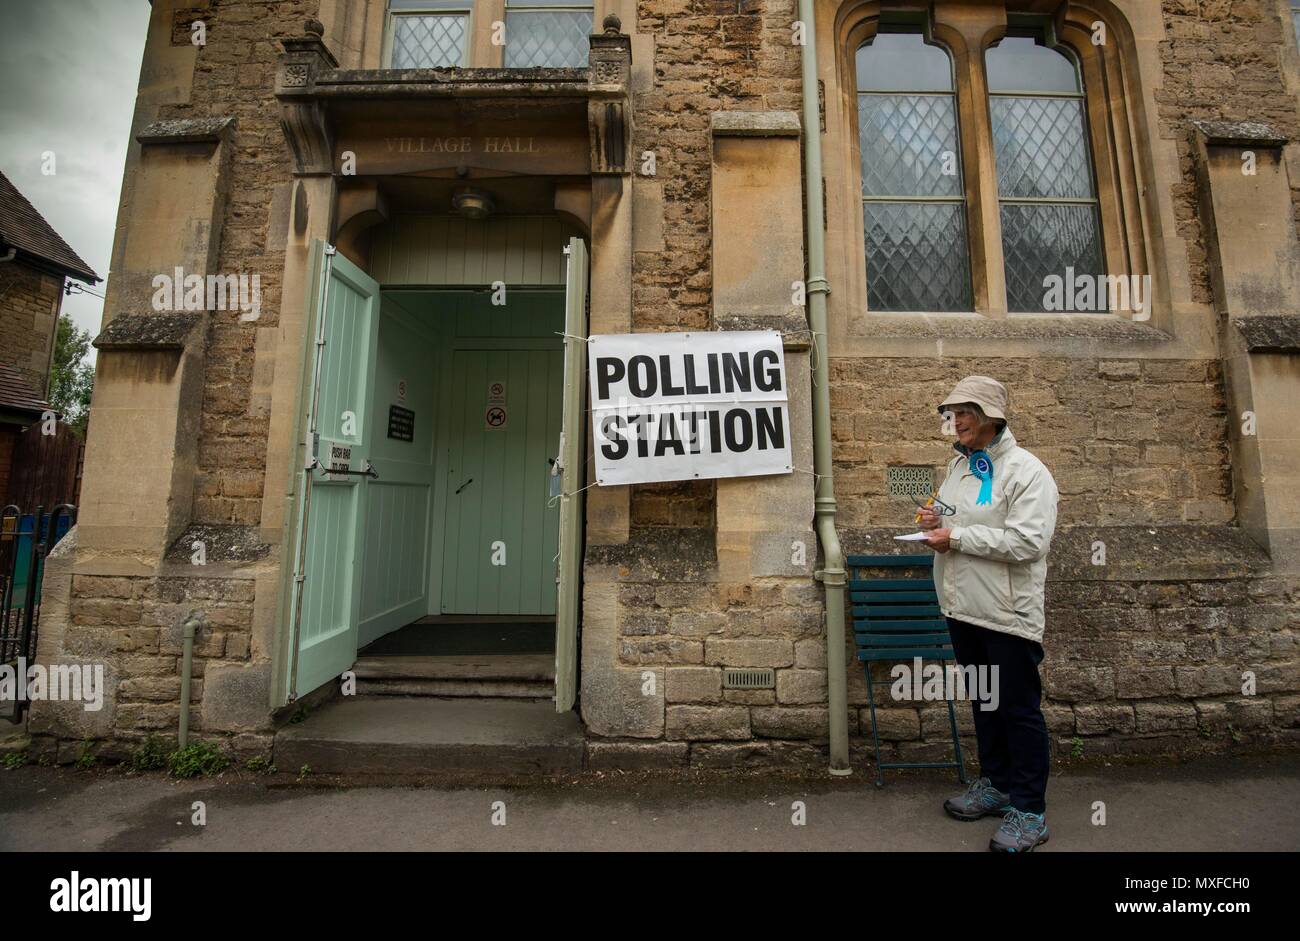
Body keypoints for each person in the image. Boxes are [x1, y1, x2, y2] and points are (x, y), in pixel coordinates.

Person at [917, 376, 1060, 852]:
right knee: (986, 703)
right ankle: (997, 785)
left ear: (992, 417)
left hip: (1007, 616)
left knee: (1018, 711)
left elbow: (1027, 542)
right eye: (952, 414)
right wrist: (935, 520)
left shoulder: (1027, 472)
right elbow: (947, 514)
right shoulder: (960, 467)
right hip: (964, 610)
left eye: (966, 413)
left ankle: (1029, 812)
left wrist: (955, 537)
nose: (956, 421)